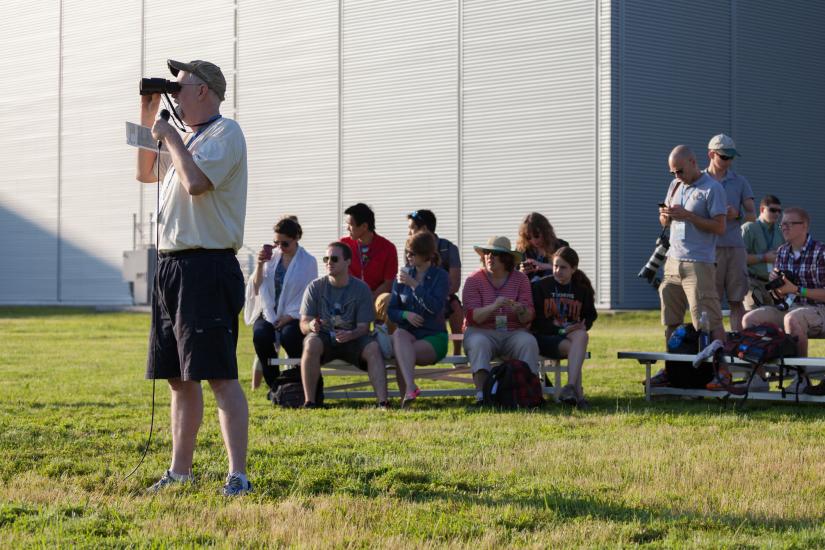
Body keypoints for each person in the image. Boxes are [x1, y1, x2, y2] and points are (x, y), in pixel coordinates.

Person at [136, 59, 251, 495]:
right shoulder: (186, 140)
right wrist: (151, 115)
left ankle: (237, 474)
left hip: (207, 266)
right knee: (178, 377)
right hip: (171, 267)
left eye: (179, 86)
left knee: (219, 374)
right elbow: (146, 173)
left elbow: (197, 183)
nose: (175, 93)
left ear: (203, 90)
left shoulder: (225, 134)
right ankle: (179, 471)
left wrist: (170, 137)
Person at [655, 145, 727, 388]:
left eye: (680, 170)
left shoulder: (712, 188)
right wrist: (666, 215)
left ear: (694, 162)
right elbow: (664, 217)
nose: (677, 176)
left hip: (699, 264)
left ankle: (720, 372)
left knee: (708, 321)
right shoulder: (675, 185)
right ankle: (672, 371)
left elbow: (719, 227)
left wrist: (689, 216)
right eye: (672, 172)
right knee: (670, 320)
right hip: (673, 262)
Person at [299, 242, 389, 408]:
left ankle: (383, 402)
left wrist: (351, 334)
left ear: (348, 262)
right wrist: (311, 325)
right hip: (324, 337)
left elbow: (364, 327)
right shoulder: (315, 287)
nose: (329, 262)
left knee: (373, 348)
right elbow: (303, 323)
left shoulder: (361, 289)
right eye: (326, 258)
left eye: (334, 258)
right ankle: (310, 402)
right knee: (311, 342)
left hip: (354, 338)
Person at [742, 208, 825, 373]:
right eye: (782, 225)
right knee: (750, 319)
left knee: (792, 319)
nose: (784, 227)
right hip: (790, 308)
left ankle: (799, 377)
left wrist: (796, 290)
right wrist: (777, 287)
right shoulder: (782, 252)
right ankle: (760, 378)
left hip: (819, 310)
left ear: (804, 226)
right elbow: (780, 296)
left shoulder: (821, 252)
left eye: (789, 224)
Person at [244, 216, 317, 393]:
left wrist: (291, 316)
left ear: (296, 238)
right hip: (269, 311)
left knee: (291, 336)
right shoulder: (271, 259)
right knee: (260, 336)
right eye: (276, 243)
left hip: (295, 314)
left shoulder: (308, 262)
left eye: (285, 244)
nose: (280, 248)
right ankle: (275, 385)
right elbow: (255, 286)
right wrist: (260, 264)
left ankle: (298, 381)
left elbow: (308, 295)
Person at [462, 236, 539, 403]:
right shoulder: (473, 280)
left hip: (513, 331)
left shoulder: (521, 279)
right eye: (487, 253)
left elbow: (528, 317)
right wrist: (494, 306)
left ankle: (529, 392)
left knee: (528, 342)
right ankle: (483, 394)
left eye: (495, 254)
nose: (489, 257)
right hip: (481, 331)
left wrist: (521, 310)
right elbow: (472, 317)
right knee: (478, 343)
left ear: (506, 258)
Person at [387, 232, 449, 406]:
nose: (408, 256)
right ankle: (409, 391)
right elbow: (391, 310)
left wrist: (414, 285)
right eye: (407, 252)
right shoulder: (402, 276)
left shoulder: (440, 276)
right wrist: (405, 315)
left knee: (403, 352)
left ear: (426, 254)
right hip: (408, 334)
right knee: (399, 336)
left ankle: (407, 396)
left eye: (413, 253)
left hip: (433, 336)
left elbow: (435, 307)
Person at [531, 246, 597, 409]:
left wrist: (583, 325)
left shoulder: (581, 289)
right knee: (577, 348)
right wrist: (560, 330)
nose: (558, 270)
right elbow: (536, 321)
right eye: (555, 266)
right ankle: (578, 395)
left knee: (582, 335)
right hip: (545, 338)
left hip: (571, 335)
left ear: (573, 269)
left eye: (563, 267)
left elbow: (590, 314)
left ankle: (570, 388)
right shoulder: (541, 287)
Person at [704, 134, 756, 331]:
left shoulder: (740, 181)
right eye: (724, 157)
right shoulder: (700, 180)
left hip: (735, 247)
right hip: (709, 249)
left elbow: (752, 214)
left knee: (737, 300)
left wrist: (738, 214)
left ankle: (739, 347)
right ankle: (711, 345)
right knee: (711, 301)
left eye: (731, 157)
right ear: (711, 154)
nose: (728, 161)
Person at [407, 209, 463, 354]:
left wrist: (437, 294)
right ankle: (403, 345)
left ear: (424, 229)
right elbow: (410, 278)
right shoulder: (410, 248)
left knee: (455, 305)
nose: (409, 233)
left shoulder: (449, 248)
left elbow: (455, 284)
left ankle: (457, 350)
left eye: (412, 228)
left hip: (444, 296)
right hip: (417, 295)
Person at [341, 203, 398, 300]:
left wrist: (368, 299)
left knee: (386, 299)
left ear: (364, 226)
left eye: (351, 225)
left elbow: (388, 283)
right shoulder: (343, 245)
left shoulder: (388, 248)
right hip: (348, 299)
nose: (347, 228)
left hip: (375, 301)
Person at [742, 195, 784, 310]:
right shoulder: (749, 228)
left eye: (779, 211)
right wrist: (764, 257)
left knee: (773, 322)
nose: (777, 214)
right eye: (773, 210)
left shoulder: (780, 231)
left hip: (772, 285)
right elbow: (739, 258)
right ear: (762, 210)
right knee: (753, 318)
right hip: (752, 282)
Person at [516, 212, 569, 283]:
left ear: (545, 231)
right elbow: (512, 276)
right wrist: (521, 272)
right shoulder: (522, 249)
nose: (533, 240)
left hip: (553, 290)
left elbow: (569, 269)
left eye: (536, 235)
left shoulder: (560, 246)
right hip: (529, 291)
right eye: (529, 237)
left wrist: (543, 266)